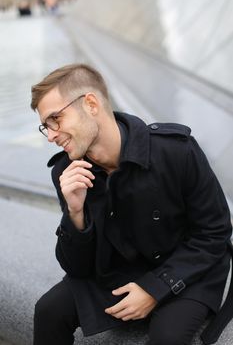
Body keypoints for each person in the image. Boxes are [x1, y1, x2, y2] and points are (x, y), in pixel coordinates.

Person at [31, 63, 233, 345]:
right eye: (45, 127)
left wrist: (155, 288)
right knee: (48, 311)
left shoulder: (175, 151)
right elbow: (77, 269)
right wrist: (75, 214)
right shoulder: (67, 172)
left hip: (187, 270)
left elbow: (215, 233)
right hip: (120, 272)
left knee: (168, 338)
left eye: (56, 119)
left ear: (90, 104)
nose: (51, 135)